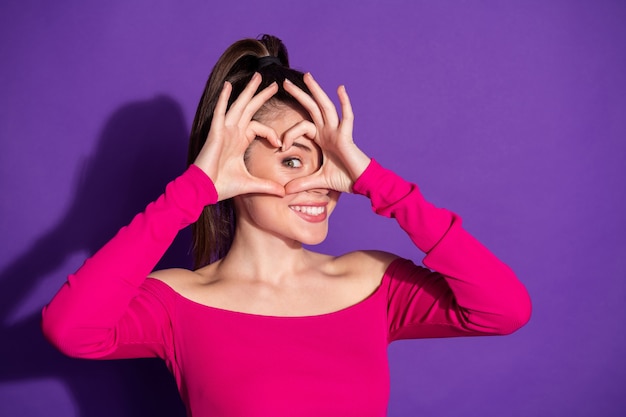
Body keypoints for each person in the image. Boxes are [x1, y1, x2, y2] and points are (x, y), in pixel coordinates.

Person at [41, 34, 531, 417]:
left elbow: (503, 310)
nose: (323, 183)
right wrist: (193, 190)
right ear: (232, 167)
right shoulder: (177, 301)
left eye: (330, 162)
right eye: (294, 161)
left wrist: (375, 180)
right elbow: (71, 329)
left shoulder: (372, 283)